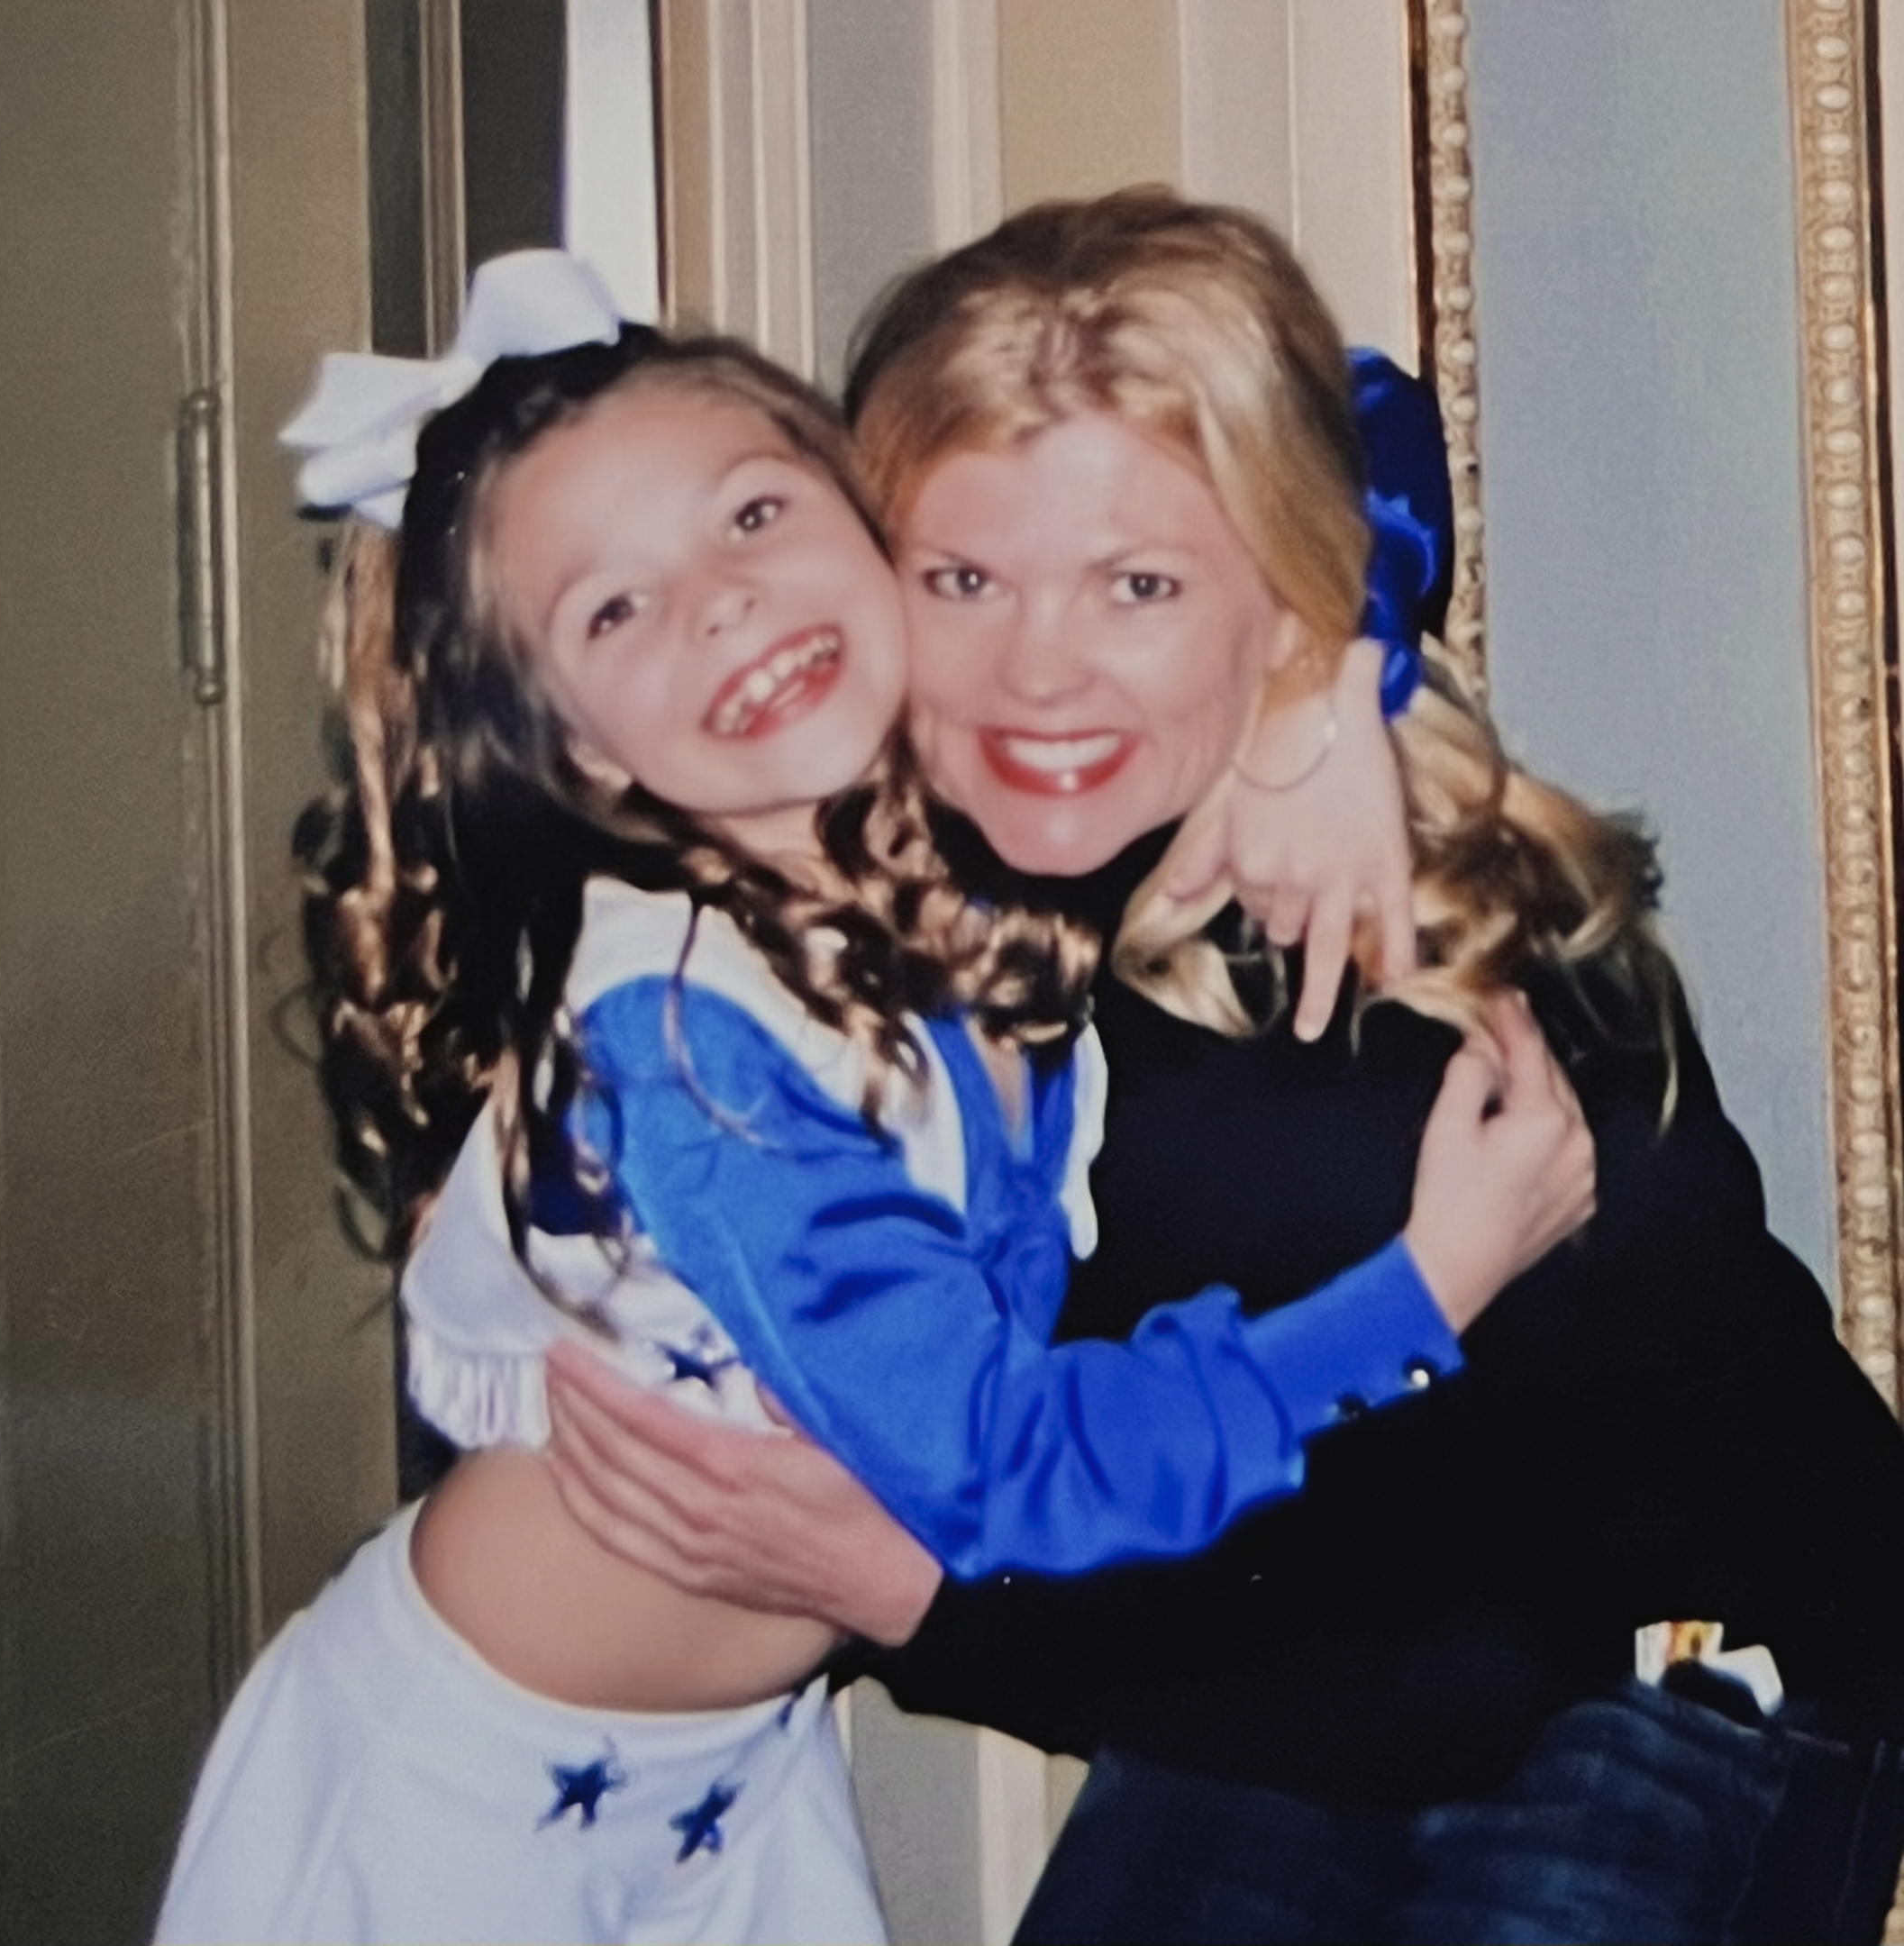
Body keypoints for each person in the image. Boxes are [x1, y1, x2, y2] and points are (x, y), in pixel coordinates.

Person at [153, 250, 1590, 1946]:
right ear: (583, 756)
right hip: (456, 1807)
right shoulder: (684, 1049)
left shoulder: (964, 844)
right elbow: (999, 1464)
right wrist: (1422, 1292)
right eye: (612, 612)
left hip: (742, 1779)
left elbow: (1356, 415)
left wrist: (1337, 677)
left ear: (878, 526)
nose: (720, 605)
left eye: (754, 516)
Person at [540, 191, 1904, 1943]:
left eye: (1139, 585)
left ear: (1269, 594)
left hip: (1673, 1667)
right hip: (1285, 1625)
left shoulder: (1416, 993)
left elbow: (1471, 1662)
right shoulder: (871, 901)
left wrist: (921, 1599)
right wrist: (1343, 661)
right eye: (962, 577)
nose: (1038, 669)